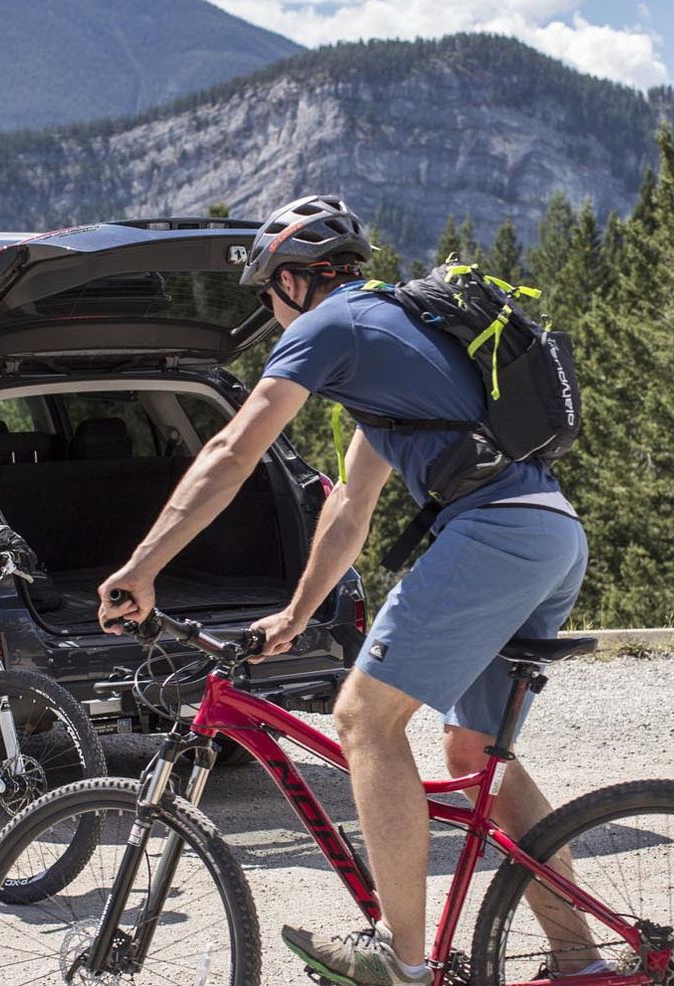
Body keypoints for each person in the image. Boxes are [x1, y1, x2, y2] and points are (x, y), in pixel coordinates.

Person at [97, 194, 591, 985]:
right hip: (552, 533)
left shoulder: (334, 327)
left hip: (496, 531)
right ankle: (579, 958)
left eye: (266, 294)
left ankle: (400, 957)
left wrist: (143, 567)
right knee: (475, 752)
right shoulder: (394, 340)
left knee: (362, 718)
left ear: (293, 283)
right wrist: (296, 614)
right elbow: (348, 508)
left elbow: (231, 450)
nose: (270, 313)